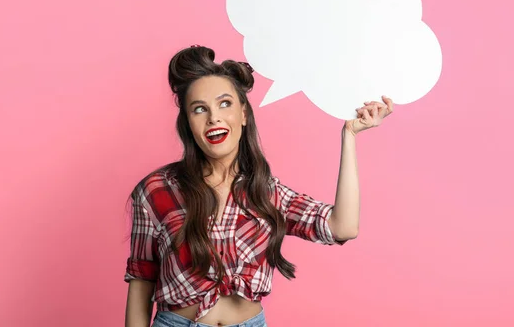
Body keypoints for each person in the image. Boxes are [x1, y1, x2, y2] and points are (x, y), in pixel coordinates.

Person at [124, 45, 393, 327]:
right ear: (188, 123)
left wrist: (349, 135)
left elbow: (343, 227)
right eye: (199, 109)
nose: (213, 117)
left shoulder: (266, 192)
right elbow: (142, 280)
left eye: (224, 103)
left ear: (243, 114)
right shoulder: (156, 190)